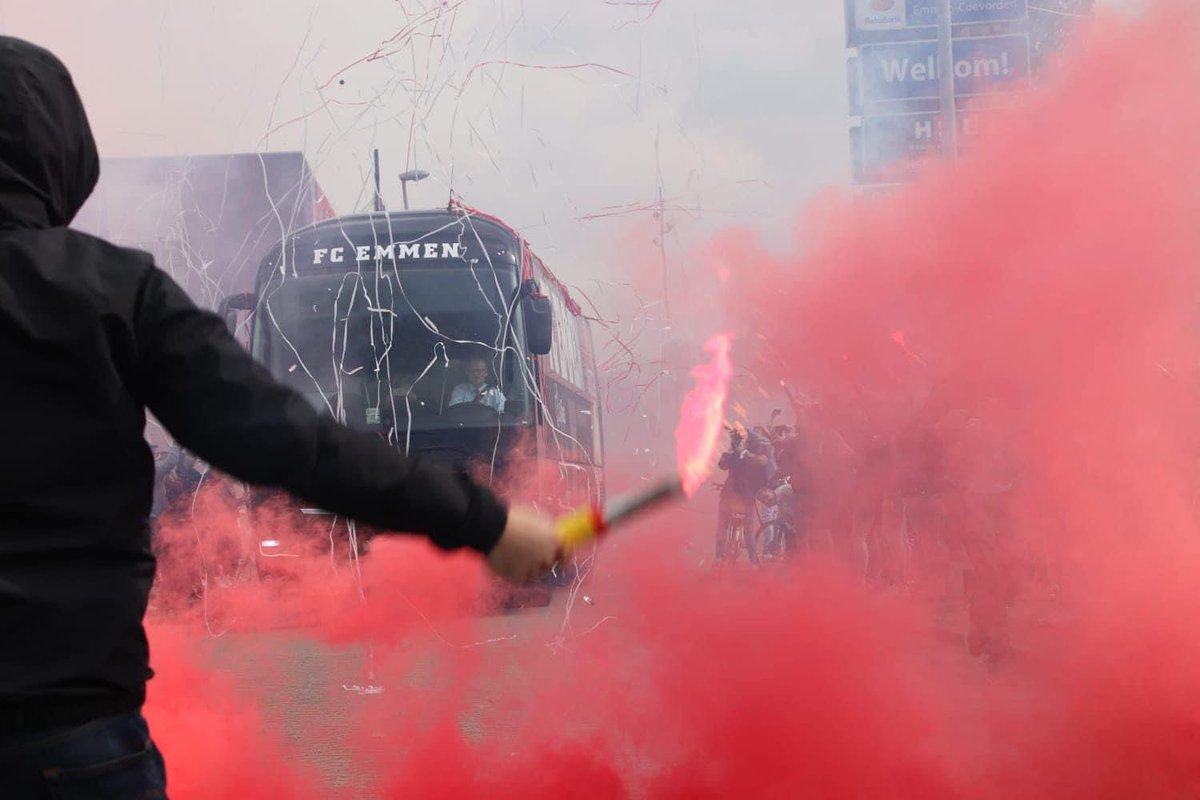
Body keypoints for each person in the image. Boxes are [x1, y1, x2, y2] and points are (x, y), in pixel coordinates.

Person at [0, 36, 560, 797]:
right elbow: (290, 442)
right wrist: (485, 523)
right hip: (66, 731)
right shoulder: (108, 292)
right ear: (59, 152)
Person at [714, 422, 775, 564]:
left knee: (722, 526)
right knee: (748, 531)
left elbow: (722, 465)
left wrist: (729, 453)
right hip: (745, 498)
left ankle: (718, 557)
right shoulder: (755, 456)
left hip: (731, 496)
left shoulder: (739, 454)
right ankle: (753, 561)